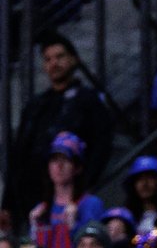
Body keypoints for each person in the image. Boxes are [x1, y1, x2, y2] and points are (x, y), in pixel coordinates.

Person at [3, 34, 114, 228]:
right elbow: (18, 155)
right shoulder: (36, 105)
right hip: (29, 200)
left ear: (74, 59)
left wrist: (81, 190)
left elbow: (101, 148)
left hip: (68, 200)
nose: (54, 63)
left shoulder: (89, 102)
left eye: (60, 56)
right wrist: (7, 204)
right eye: (48, 59)